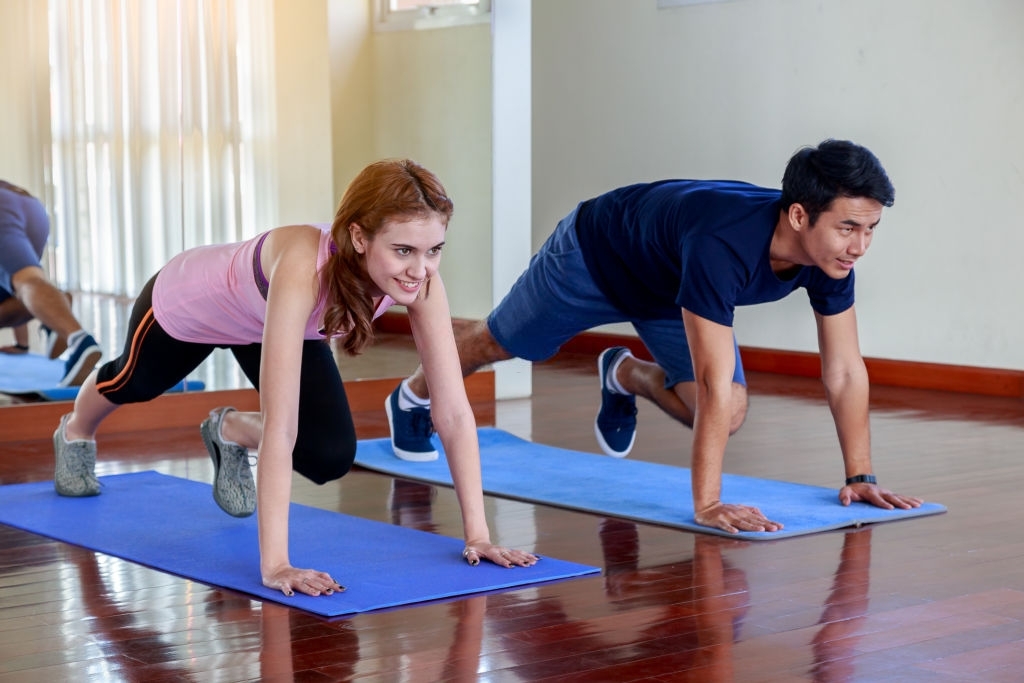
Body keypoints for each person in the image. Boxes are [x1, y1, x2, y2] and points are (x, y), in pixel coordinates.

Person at [52, 159, 538, 598]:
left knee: (329, 455)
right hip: (191, 306)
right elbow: (282, 428)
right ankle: (75, 431)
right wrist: (276, 565)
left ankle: (231, 430)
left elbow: (451, 411)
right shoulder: (306, 266)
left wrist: (478, 535)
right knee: (130, 384)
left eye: (434, 250)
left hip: (272, 320)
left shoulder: (422, 282)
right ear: (359, 237)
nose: (420, 269)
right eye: (404, 249)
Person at [386, 139, 924, 535]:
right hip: (596, 255)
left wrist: (860, 475)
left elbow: (846, 370)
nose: (860, 246)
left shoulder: (829, 259)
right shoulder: (725, 244)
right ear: (800, 215)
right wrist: (708, 504)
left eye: (871, 228)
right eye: (849, 227)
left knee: (729, 411)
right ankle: (411, 398)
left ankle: (625, 375)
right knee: (498, 342)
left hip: (673, 286)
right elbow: (712, 381)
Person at [0, 180, 101, 385]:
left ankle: (80, 341)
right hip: (30, 207)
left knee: (27, 280)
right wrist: (22, 346)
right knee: (22, 282)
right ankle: (57, 309)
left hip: (5, 210)